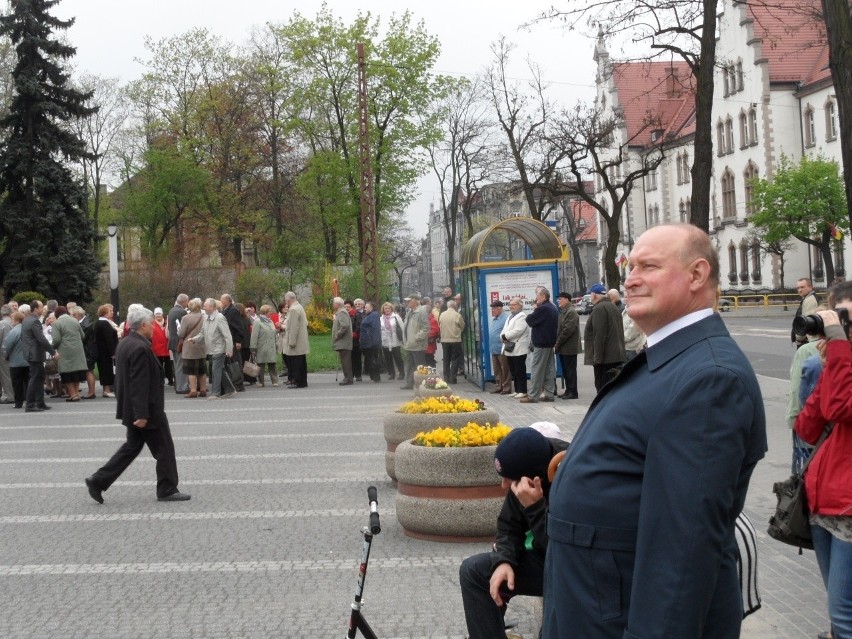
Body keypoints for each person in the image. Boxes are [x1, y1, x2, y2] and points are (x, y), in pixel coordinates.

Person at [543, 224, 767, 639]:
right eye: (630, 266)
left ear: (697, 275)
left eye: (649, 266)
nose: (630, 278)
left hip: (618, 616)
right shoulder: (674, 357)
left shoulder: (709, 378)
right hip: (594, 606)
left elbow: (681, 552)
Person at [459, 427, 568, 639]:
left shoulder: (571, 473)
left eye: (509, 479)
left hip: (574, 569)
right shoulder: (523, 473)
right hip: (545, 559)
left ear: (532, 476)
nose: (503, 486)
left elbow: (565, 550)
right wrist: (503, 561)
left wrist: (535, 508)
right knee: (474, 572)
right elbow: (508, 526)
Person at [84, 305, 191, 504]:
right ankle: (167, 488)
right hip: (146, 411)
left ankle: (98, 480)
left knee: (131, 448)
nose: (153, 327)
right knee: (164, 450)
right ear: (143, 325)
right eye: (151, 324)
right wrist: (141, 414)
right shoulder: (140, 347)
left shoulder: (125, 343)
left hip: (131, 408)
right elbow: (139, 382)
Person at [795, 283, 852, 639]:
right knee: (837, 613)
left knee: (844, 616)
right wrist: (830, 364)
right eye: (840, 316)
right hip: (824, 505)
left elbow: (841, 408)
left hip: (848, 507)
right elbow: (808, 426)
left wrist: (841, 354)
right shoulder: (840, 364)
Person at [583, 283, 626, 392]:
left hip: (605, 359)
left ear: (593, 295)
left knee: (602, 389)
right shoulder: (613, 307)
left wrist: (597, 359)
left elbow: (599, 335)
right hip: (616, 355)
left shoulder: (599, 309)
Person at [521, 286, 559, 403]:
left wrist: (535, 308)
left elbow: (529, 320)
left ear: (543, 296)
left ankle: (533, 395)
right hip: (549, 343)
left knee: (537, 370)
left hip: (541, 344)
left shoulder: (542, 308)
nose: (536, 298)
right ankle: (549, 394)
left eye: (537, 296)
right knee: (549, 370)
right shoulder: (552, 307)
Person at [20, 300, 59, 412]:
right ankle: (30, 404)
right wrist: (53, 352)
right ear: (36, 308)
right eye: (41, 307)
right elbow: (41, 338)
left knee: (39, 378)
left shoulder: (27, 320)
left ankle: (40, 402)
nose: (43, 309)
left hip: (31, 353)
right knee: (35, 378)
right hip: (34, 354)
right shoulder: (34, 321)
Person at [198, 297, 234, 400]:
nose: (203, 307)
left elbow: (227, 335)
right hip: (211, 349)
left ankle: (216, 393)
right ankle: (230, 389)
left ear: (212, 307)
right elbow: (202, 333)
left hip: (219, 349)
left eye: (205, 305)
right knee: (220, 370)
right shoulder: (206, 317)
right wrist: (194, 339)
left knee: (215, 370)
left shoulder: (219, 318)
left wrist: (229, 349)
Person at [50, 306, 88, 402]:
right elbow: (83, 335)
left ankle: (73, 394)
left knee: (67, 373)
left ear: (57, 314)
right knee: (77, 372)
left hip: (65, 351)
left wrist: (52, 347)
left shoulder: (56, 323)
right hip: (78, 350)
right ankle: (76, 393)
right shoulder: (75, 321)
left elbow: (57, 339)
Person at [177, 298, 207, 398]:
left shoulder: (186, 318)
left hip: (189, 346)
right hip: (202, 345)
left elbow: (181, 333)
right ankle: (203, 389)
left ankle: (193, 390)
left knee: (191, 370)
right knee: (202, 369)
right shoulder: (204, 317)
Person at [501, 298, 530, 399]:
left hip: (519, 347)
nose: (511, 306)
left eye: (514, 304)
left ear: (520, 305)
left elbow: (518, 330)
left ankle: (523, 390)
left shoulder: (522, 316)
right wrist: (502, 336)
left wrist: (505, 336)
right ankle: (517, 389)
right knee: (513, 370)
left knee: (520, 370)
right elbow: (504, 329)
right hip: (510, 347)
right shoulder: (510, 316)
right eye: (510, 305)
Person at [554, 292, 581, 399]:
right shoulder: (563, 312)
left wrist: (558, 343)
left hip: (569, 347)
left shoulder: (571, 312)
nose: (558, 301)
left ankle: (573, 392)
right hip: (564, 347)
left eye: (560, 299)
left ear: (566, 300)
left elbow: (567, 330)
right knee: (566, 370)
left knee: (570, 370)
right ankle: (568, 390)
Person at [400, 293, 429, 390]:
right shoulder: (410, 311)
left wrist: (416, 338)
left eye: (409, 300)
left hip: (417, 344)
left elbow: (426, 328)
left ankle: (423, 384)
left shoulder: (421, 312)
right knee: (410, 365)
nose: (407, 302)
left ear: (416, 301)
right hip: (410, 344)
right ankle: (409, 383)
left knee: (420, 366)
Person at [2, 310, 28, 408]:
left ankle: (18, 403)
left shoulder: (14, 331)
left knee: (17, 384)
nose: (11, 321)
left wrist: (6, 355)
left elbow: (7, 345)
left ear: (17, 320)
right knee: (28, 382)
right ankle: (29, 400)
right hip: (28, 360)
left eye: (12, 319)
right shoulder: (28, 330)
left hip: (16, 362)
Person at [283, 291, 309, 388]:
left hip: (296, 342)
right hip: (301, 341)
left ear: (288, 300)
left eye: (286, 300)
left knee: (296, 363)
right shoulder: (300, 307)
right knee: (301, 362)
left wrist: (291, 342)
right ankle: (302, 382)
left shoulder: (293, 309)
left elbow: (293, 328)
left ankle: (298, 381)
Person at [220, 294, 246, 392]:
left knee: (235, 363)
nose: (221, 301)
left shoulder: (233, 311)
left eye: (222, 299)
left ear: (228, 301)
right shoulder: (225, 310)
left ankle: (238, 383)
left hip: (234, 341)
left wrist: (238, 341)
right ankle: (233, 382)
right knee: (230, 363)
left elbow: (239, 327)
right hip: (228, 341)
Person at [249, 305, 279, 387]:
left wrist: (276, 344)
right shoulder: (257, 322)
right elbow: (254, 336)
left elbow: (273, 333)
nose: (271, 313)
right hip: (261, 347)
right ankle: (261, 382)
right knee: (260, 365)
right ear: (265, 312)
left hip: (271, 346)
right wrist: (253, 348)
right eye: (270, 311)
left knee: (272, 364)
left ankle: (275, 381)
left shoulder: (270, 321)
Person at [93, 304, 119, 398]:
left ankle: (107, 389)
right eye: (110, 311)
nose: (112, 312)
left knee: (106, 369)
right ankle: (106, 390)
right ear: (104, 313)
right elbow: (109, 339)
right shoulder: (104, 323)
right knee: (106, 370)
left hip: (103, 351)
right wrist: (112, 352)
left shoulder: (102, 322)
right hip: (105, 352)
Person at [167, 294, 190, 394]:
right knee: (181, 365)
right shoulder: (182, 312)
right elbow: (182, 329)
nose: (188, 304)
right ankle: (182, 387)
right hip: (179, 342)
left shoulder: (172, 310)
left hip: (172, 342)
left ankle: (179, 385)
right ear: (184, 301)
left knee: (177, 365)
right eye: (187, 301)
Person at [488, 301, 512, 395]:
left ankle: (506, 387)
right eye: (492, 309)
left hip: (501, 348)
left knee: (505, 369)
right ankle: (499, 386)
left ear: (500, 308)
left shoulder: (506, 318)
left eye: (494, 309)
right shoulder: (494, 319)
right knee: (497, 369)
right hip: (494, 348)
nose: (492, 311)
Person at [439, 300, 465, 384]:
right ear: (455, 306)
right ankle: (453, 378)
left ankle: (446, 377)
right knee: (455, 359)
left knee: (446, 359)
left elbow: (440, 325)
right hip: (455, 340)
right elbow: (462, 326)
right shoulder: (457, 315)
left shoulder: (442, 315)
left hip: (444, 340)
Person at [379, 302, 405, 380]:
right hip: (385, 340)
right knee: (388, 358)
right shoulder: (381, 318)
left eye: (389, 308)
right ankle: (391, 373)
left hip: (395, 340)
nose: (387, 310)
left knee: (398, 358)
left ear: (391, 309)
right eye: (385, 308)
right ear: (383, 309)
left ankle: (401, 372)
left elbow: (402, 327)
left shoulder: (396, 317)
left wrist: (404, 339)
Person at [332, 296, 354, 385]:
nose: (333, 305)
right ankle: (347, 377)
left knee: (346, 361)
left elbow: (345, 325)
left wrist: (337, 335)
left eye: (333, 304)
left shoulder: (342, 312)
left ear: (337, 305)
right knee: (344, 360)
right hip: (343, 341)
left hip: (344, 341)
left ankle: (348, 378)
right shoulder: (340, 312)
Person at [792, 277, 819, 348]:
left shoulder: (810, 300)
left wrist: (799, 338)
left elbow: (806, 323)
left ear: (810, 287)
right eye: (798, 288)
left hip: (807, 342)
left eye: (802, 287)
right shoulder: (807, 299)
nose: (800, 290)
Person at [359, 302, 382, 382]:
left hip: (371, 342)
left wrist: (375, 342)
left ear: (371, 307)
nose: (364, 308)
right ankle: (373, 377)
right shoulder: (370, 315)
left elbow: (375, 329)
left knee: (372, 360)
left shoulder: (374, 315)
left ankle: (375, 377)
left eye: (366, 307)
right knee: (370, 359)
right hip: (368, 341)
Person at [151, 307, 173, 386]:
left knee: (169, 366)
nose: (158, 315)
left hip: (166, 347)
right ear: (154, 315)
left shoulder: (167, 323)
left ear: (162, 314)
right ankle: (160, 380)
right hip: (156, 347)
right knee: (158, 366)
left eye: (159, 314)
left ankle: (171, 380)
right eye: (156, 314)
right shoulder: (152, 324)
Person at [0, 304, 14, 404]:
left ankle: (9, 396)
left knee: (6, 375)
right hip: (14, 352)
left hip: (3, 354)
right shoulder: (13, 323)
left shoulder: (2, 324)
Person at [423, 296, 441, 368]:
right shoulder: (425, 319)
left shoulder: (432, 320)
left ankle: (432, 376)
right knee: (426, 362)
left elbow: (435, 330)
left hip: (429, 345)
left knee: (430, 361)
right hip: (425, 345)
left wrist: (424, 335)